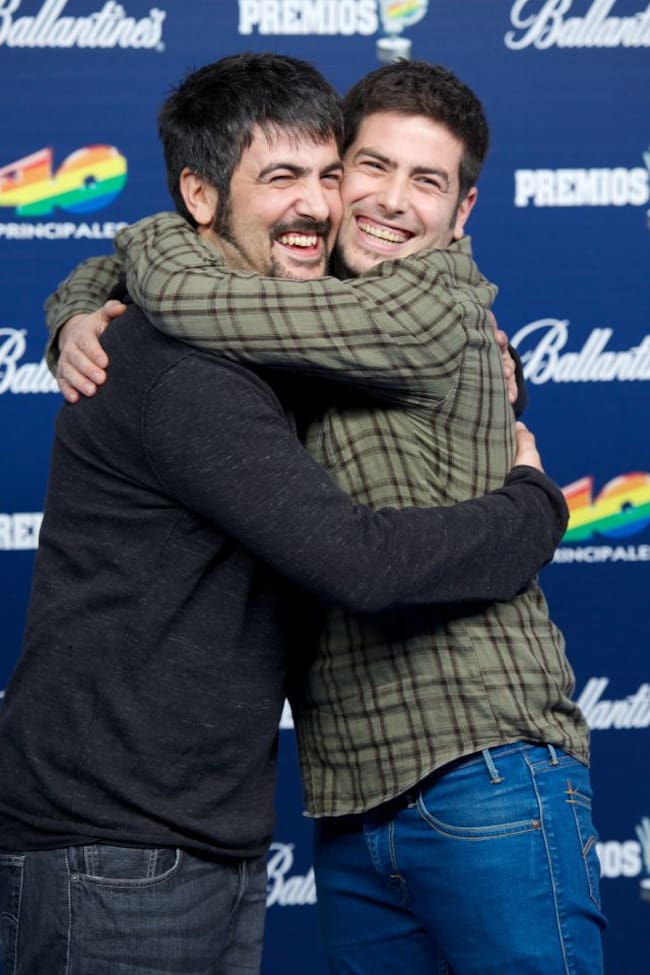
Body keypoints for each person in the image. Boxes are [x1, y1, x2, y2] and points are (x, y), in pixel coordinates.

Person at [0, 55, 569, 975]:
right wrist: (533, 512)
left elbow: (197, 281)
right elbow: (357, 559)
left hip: (239, 826)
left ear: (464, 210)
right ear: (201, 194)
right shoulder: (194, 362)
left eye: (325, 176)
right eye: (289, 178)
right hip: (121, 840)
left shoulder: (344, 320)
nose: (323, 204)